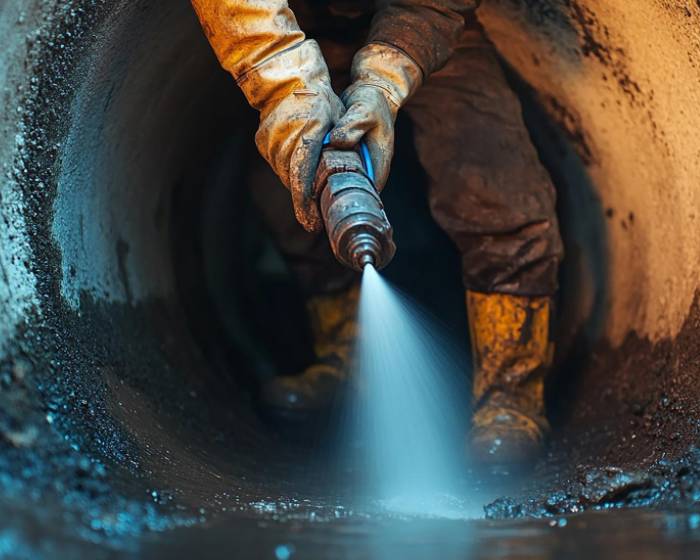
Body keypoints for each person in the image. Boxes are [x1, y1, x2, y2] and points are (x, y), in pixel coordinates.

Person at [191, 0, 564, 467]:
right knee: (284, 189)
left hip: (423, 31)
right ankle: (350, 358)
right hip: (294, 31)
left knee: (492, 175)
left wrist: (383, 84)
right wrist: (289, 90)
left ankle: (511, 394)